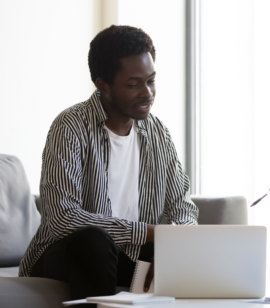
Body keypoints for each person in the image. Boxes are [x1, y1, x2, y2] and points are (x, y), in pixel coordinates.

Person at [19, 25, 198, 303]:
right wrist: (149, 233)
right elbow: (62, 218)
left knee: (172, 252)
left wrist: (174, 242)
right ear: (103, 85)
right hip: (66, 255)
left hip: (126, 258)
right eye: (133, 84)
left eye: (151, 80)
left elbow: (183, 207)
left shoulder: (158, 133)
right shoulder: (71, 126)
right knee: (95, 241)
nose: (147, 93)